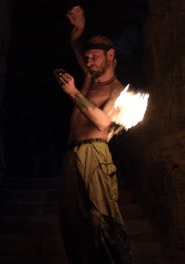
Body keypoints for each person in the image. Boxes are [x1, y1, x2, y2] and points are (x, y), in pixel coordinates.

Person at [53, 5, 132, 264]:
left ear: (110, 56)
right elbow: (76, 44)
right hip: (71, 154)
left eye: (94, 57)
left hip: (94, 154)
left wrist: (74, 93)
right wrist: (80, 28)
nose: (88, 62)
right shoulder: (90, 77)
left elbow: (102, 122)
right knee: (72, 224)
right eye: (87, 58)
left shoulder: (117, 91)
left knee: (103, 221)